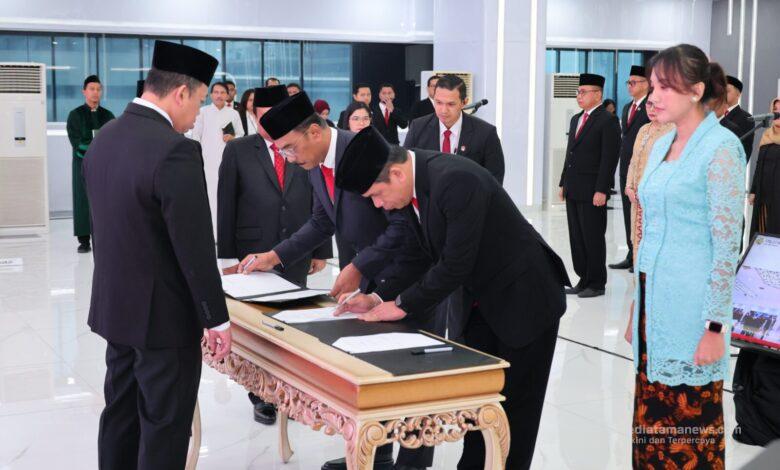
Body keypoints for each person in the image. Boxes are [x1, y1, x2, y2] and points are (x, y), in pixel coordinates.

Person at [334, 127, 570, 470]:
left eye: (377, 195)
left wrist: (401, 305)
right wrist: (377, 297)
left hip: (525, 299)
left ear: (397, 174)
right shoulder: (413, 187)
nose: (378, 204)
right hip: (480, 302)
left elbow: (455, 264)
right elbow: (417, 253)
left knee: (515, 413)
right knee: (479, 409)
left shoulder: (456, 180)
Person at [236, 93, 432, 470]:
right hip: (367, 276)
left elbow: (403, 225)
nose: (288, 158)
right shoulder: (313, 162)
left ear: (315, 131)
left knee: (410, 375)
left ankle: (412, 463)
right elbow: (322, 221)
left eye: (290, 148)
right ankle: (376, 453)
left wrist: (358, 264)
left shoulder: (365, 151)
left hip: (405, 274)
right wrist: (274, 256)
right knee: (374, 370)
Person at [82, 40, 231, 470]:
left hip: (116, 310)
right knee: (165, 426)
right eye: (199, 101)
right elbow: (194, 244)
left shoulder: (106, 138)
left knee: (121, 414)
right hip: (165, 319)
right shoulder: (175, 149)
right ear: (180, 93)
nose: (198, 114)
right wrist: (216, 318)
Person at [622, 44, 745, 469]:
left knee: (687, 426)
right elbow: (651, 231)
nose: (653, 96)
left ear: (695, 91)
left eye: (665, 87)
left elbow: (726, 246)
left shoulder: (721, 148)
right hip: (653, 304)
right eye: (653, 86)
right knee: (651, 421)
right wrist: (636, 306)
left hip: (693, 311)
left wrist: (715, 326)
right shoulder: (662, 144)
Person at [218, 85, 331, 426]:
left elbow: (320, 201)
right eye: (264, 117)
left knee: (291, 323)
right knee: (260, 328)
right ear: (253, 116)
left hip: (296, 247)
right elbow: (226, 204)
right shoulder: (238, 150)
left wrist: (321, 250)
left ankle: (290, 392)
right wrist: (227, 259)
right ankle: (261, 395)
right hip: (251, 250)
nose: (272, 123)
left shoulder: (301, 147)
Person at [559, 73, 621, 298]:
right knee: (577, 237)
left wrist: (602, 189)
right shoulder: (576, 119)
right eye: (578, 92)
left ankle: (596, 283)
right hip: (573, 187)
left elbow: (609, 158)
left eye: (584, 92)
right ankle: (583, 278)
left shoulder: (607, 120)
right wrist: (563, 182)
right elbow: (570, 153)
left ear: (598, 94)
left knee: (592, 236)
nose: (579, 96)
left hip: (592, 189)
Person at [404, 74, 505, 183]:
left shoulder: (486, 133)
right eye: (438, 103)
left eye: (451, 104)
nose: (443, 110)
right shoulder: (418, 128)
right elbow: (405, 169)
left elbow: (494, 180)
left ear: (464, 102)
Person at [623, 92, 675, 267]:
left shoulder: (672, 131)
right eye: (648, 104)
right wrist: (629, 186)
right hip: (636, 199)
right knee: (637, 243)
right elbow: (633, 160)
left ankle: (651, 284)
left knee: (654, 245)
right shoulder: (643, 129)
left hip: (655, 200)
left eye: (656, 105)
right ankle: (640, 283)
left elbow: (668, 167)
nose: (651, 109)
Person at [66, 75, 115, 253]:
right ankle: (84, 240)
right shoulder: (75, 115)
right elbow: (77, 142)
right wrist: (97, 145)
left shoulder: (108, 116)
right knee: (83, 200)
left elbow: (113, 140)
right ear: (84, 92)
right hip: (82, 165)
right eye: (92, 89)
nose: (95, 92)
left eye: (98, 89)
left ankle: (105, 237)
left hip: (104, 166)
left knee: (104, 200)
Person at [190, 81, 244, 234]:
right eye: (216, 92)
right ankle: (211, 233)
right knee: (209, 197)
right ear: (211, 95)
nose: (219, 96)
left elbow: (241, 135)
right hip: (207, 163)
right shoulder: (203, 112)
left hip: (228, 161)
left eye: (222, 92)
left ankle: (224, 232)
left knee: (227, 197)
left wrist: (233, 138)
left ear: (228, 95)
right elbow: (195, 137)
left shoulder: (233, 113)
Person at [610, 65, 650, 272]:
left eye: (634, 82)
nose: (629, 86)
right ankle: (630, 252)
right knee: (627, 212)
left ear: (646, 84)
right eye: (628, 82)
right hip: (626, 166)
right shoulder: (627, 107)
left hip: (644, 168)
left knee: (641, 213)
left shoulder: (651, 107)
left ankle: (641, 256)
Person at [748, 97, 780, 238]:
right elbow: (759, 164)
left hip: (778, 194)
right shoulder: (767, 135)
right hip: (763, 194)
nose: (777, 113)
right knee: (762, 231)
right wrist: (753, 190)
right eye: (775, 110)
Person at [722, 75, 755, 160]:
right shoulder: (713, 115)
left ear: (738, 94)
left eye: (727, 91)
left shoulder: (746, 118)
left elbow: (745, 150)